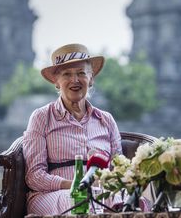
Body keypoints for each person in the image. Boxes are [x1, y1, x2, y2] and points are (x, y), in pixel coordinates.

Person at [22, 43, 123, 215]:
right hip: (52, 195)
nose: (74, 80)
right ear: (56, 81)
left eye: (81, 73)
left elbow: (120, 169)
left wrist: (106, 183)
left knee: (132, 200)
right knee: (80, 199)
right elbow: (34, 177)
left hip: (100, 193)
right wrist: (75, 185)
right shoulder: (41, 118)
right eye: (66, 74)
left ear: (91, 79)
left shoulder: (106, 120)